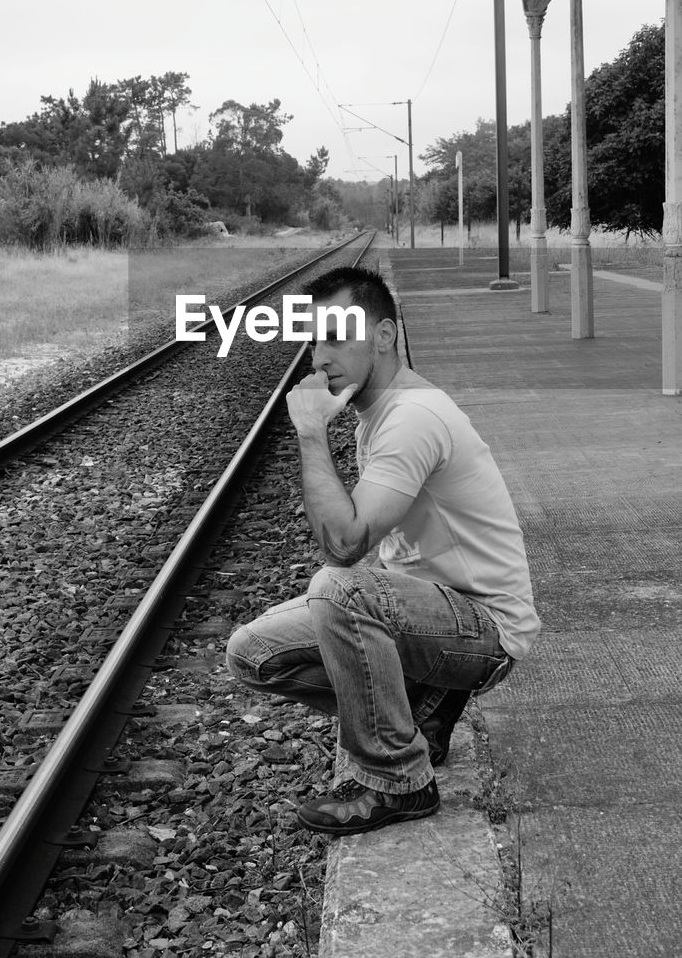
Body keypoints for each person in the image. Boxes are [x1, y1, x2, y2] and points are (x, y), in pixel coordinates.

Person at [225, 264, 540, 836]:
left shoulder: (412, 417)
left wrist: (310, 433)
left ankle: (398, 780)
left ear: (386, 335)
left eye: (337, 338)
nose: (320, 357)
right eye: (314, 339)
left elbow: (344, 545)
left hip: (486, 627)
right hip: (433, 613)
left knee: (336, 588)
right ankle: (417, 716)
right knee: (252, 652)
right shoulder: (379, 411)